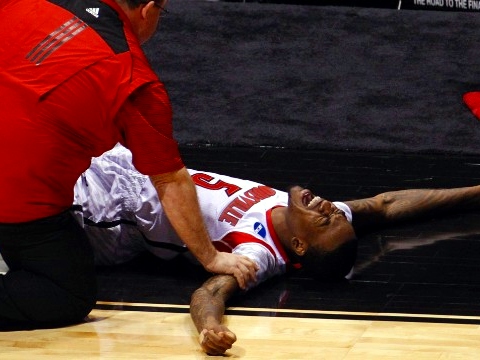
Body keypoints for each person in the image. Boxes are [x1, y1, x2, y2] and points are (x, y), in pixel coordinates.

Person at [69, 144, 480, 354]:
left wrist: (209, 330)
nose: (327, 206)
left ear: (299, 244)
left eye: (325, 218)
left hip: (109, 214)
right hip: (136, 165)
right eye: (334, 213)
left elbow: (209, 293)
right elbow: (386, 206)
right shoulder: (317, 218)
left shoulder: (259, 252)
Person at [0, 0, 256, 328]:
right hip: (19, 203)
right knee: (68, 291)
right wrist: (211, 255)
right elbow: (170, 180)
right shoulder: (134, 78)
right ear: (149, 9)